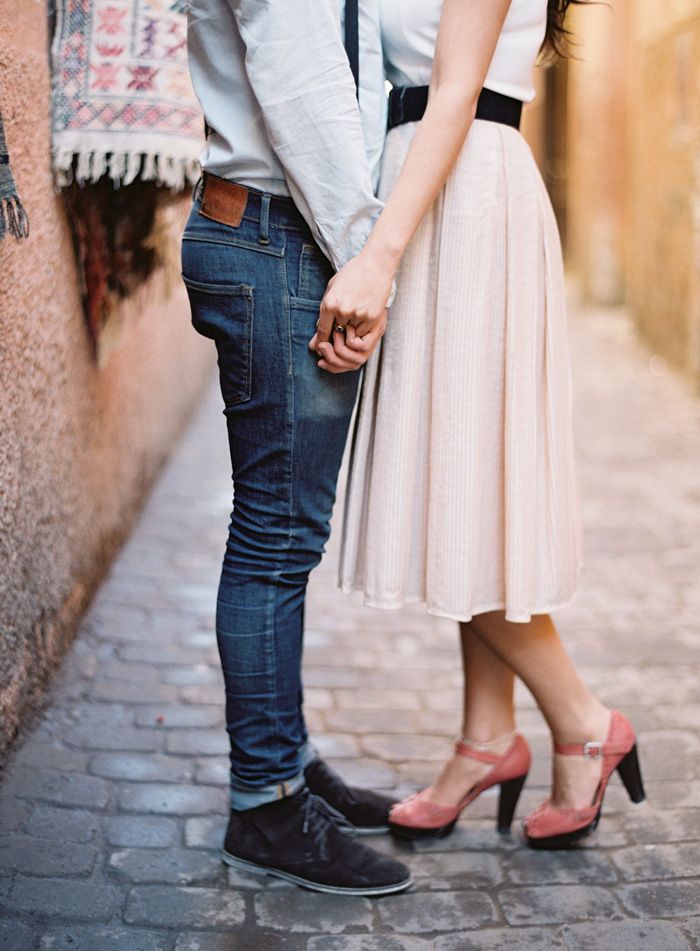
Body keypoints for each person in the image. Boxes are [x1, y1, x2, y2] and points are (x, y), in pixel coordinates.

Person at [317, 0, 646, 849]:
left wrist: (379, 254)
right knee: (468, 480)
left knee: (452, 488)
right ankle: (486, 738)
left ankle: (583, 721)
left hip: (462, 195)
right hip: (431, 185)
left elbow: (455, 91)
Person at [181, 0, 412, 894]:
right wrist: (367, 259)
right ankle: (268, 806)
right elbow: (302, 85)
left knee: (280, 536)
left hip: (272, 225)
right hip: (281, 233)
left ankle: (286, 758)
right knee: (276, 536)